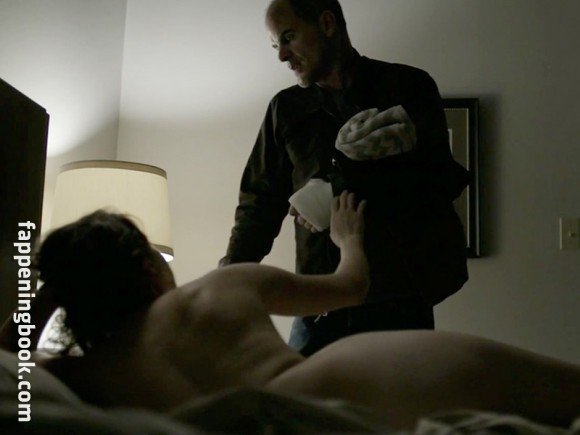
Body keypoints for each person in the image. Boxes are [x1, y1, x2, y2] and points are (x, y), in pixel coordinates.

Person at [1, 204, 579, 431]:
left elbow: (7, 358)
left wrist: (48, 296)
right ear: (151, 270)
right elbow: (350, 288)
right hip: (317, 385)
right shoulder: (215, 287)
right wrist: (349, 239)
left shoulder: (83, 372)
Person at [220, 0, 471, 356]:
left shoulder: (408, 87)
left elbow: (440, 180)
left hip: (399, 299)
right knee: (298, 393)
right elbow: (259, 202)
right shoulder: (285, 109)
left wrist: (335, 189)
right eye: (276, 45)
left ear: (326, 23)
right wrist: (227, 281)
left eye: (289, 38)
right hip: (317, 302)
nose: (282, 56)